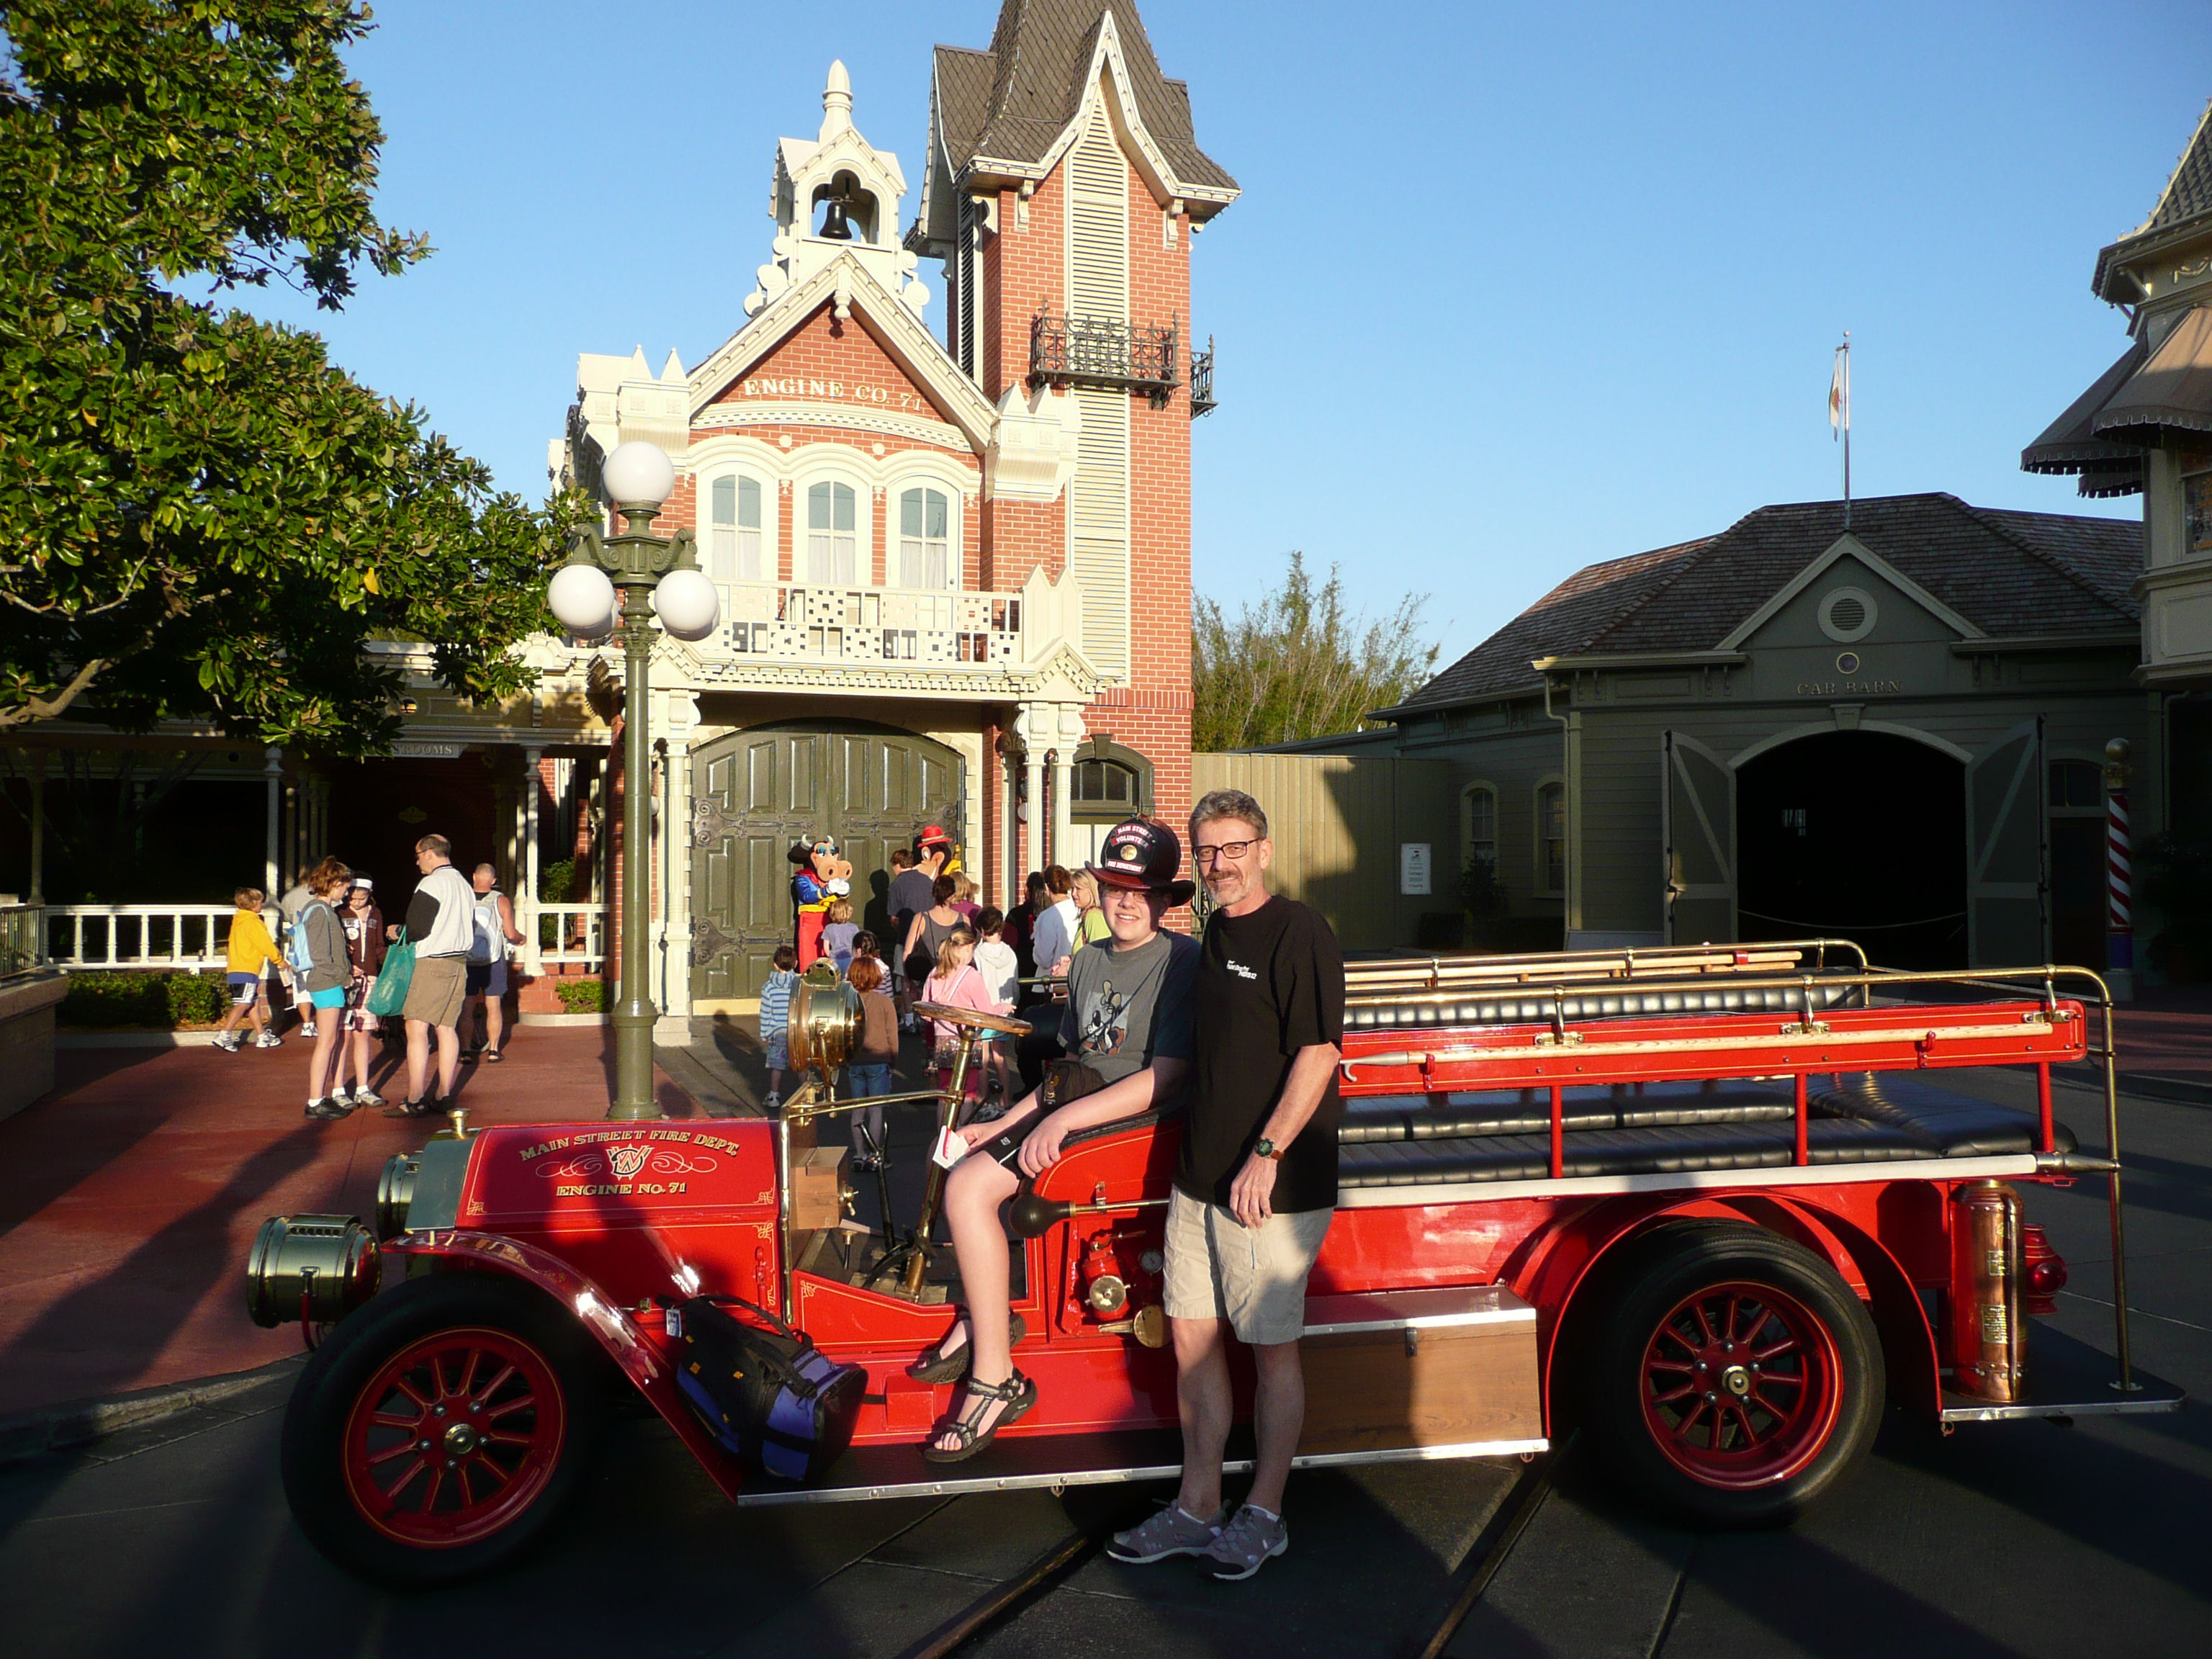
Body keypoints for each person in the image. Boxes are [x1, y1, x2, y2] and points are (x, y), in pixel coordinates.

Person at [1108, 790, 1344, 1582]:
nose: (1220, 864)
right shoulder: (1212, 932)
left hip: (1268, 1187)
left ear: (1264, 849)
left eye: (1234, 847)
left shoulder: (1300, 931)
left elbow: (1318, 1055)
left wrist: (1268, 1153)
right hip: (1199, 1177)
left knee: (1272, 1353)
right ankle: (1198, 1505)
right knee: (1192, 1344)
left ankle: (1266, 1513)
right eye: (1208, 852)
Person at [910, 818, 1197, 1465]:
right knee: (958, 1165)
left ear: (1163, 900)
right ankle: (985, 1317)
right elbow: (1072, 1067)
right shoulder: (1091, 957)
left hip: (1138, 1124)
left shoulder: (1182, 961)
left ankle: (995, 1378)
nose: (1126, 901)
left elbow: (1168, 1073)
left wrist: (1060, 1123)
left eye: (1142, 890)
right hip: (1079, 1112)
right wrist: (1008, 1119)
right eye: (1115, 886)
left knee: (969, 1189)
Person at [385, 833, 476, 1118]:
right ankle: (444, 1094)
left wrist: (396, 932)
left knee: (416, 1027)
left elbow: (417, 929)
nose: (416, 862)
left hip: (432, 962)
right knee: (446, 1028)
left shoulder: (432, 883)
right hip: (459, 962)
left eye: (417, 855)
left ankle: (415, 1098)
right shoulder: (464, 884)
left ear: (428, 853)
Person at [293, 858, 356, 1120]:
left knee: (330, 1040)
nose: (347, 893)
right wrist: (344, 977)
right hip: (327, 981)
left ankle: (319, 1097)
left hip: (328, 980)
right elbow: (321, 956)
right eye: (345, 887)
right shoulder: (320, 911)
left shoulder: (319, 909)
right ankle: (315, 1099)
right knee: (327, 1041)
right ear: (334, 884)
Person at [920, 927, 1006, 1116]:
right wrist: (1003, 1008)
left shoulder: (935, 973)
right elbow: (987, 1013)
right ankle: (961, 1138)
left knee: (945, 1092)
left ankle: (943, 1136)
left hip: (942, 1040)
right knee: (967, 1093)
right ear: (967, 947)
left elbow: (926, 1013)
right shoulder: (971, 975)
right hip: (966, 1040)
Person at [332, 879, 387, 1109]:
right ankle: (338, 1089)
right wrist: (346, 965)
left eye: (361, 897)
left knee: (363, 1033)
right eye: (352, 897)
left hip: (370, 978)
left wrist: (390, 966)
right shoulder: (339, 913)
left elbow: (378, 945)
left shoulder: (375, 913)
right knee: (343, 1035)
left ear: (370, 894)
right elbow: (335, 945)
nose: (356, 902)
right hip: (346, 980)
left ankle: (363, 1088)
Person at [462, 863, 524, 1064]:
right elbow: (510, 933)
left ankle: (465, 1050)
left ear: (473, 876)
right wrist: (521, 939)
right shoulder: (501, 900)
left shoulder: (464, 899)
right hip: (493, 960)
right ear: (494, 881)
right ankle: (494, 1050)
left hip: (467, 960)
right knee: (494, 1005)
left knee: (467, 1005)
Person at [843, 957, 897, 1169]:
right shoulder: (884, 1002)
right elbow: (892, 1035)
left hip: (855, 1061)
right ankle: (876, 1155)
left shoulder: (847, 1002)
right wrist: (893, 1061)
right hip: (879, 1059)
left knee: (858, 1109)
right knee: (876, 1110)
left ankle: (859, 1154)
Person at [213, 887, 283, 1052]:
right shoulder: (253, 922)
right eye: (260, 901)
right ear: (252, 904)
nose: (262, 904)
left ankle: (261, 1035)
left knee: (253, 1002)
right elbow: (265, 944)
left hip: (236, 968)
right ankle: (224, 1034)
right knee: (244, 1003)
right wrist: (278, 959)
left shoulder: (238, 921)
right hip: (247, 968)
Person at [971, 907, 1020, 1109]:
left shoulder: (978, 953)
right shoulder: (1010, 952)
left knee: (983, 1058)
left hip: (985, 1009)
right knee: (1000, 1056)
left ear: (982, 930)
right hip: (1005, 1009)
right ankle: (1005, 1097)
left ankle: (982, 1097)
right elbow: (1015, 983)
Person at [886, 847, 931, 1029]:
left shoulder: (896, 885)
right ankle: (925, 1016)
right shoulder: (928, 881)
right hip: (927, 940)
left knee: (905, 979)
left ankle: (909, 1019)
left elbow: (894, 918)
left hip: (905, 939)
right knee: (927, 979)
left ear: (897, 865)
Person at [902, 873, 964, 998]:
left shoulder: (921, 918)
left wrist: (908, 980)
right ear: (953, 894)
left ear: (934, 893)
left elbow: (907, 952)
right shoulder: (963, 919)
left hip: (930, 980)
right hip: (957, 980)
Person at [277, 863, 320, 1038]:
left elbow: (285, 916)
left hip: (299, 945)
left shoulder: (291, 896)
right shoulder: (324, 893)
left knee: (302, 987)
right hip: (319, 943)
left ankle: (307, 1023)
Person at [759, 944, 799, 1112]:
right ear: (795, 964)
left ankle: (774, 1095)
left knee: (777, 1065)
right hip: (797, 1030)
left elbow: (766, 1012)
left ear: (775, 965)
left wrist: (764, 1033)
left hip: (777, 1031)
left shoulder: (768, 987)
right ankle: (804, 1095)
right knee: (800, 1064)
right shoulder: (799, 984)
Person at [1028, 865, 1078, 980]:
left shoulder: (1047, 916)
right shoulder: (1079, 909)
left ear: (1046, 887)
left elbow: (1043, 958)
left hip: (1052, 981)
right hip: (1075, 976)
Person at [1069, 868, 1112, 950]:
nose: (1073, 894)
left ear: (1091, 890)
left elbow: (1099, 956)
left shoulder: (1093, 916)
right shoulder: (1088, 916)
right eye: (1072, 889)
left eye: (1078, 889)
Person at [821, 896, 858, 976]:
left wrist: (830, 955)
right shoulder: (853, 928)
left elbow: (826, 947)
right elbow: (857, 945)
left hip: (834, 959)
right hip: (850, 958)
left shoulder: (829, 928)